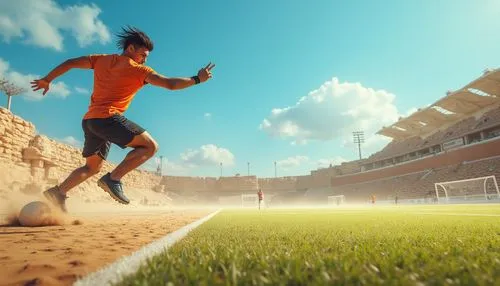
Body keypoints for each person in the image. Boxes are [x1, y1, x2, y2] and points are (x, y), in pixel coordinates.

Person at [30, 26, 215, 212]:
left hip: (90, 121)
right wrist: (197, 79)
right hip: (108, 118)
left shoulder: (100, 60)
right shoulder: (139, 70)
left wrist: (47, 79)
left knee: (91, 168)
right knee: (150, 147)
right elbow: (170, 84)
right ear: (131, 48)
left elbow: (70, 62)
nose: (145, 59)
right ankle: (113, 178)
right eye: (143, 54)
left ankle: (58, 192)